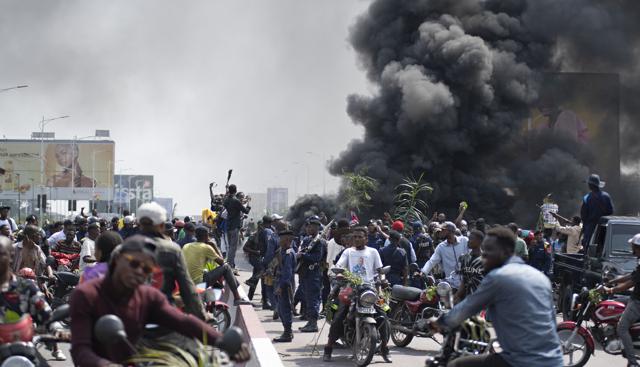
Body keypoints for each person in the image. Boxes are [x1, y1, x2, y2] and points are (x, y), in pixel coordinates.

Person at [69, 235, 251, 366]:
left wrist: (221, 341)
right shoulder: (87, 295)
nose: (139, 271)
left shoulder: (147, 296)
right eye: (133, 263)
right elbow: (81, 351)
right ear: (116, 261)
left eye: (146, 268)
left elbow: (183, 322)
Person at [427, 227, 563, 367]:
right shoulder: (541, 279)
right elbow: (551, 323)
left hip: (521, 361)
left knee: (456, 365)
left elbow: (467, 308)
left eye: (488, 252)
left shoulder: (498, 277)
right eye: (483, 251)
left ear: (505, 252)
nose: (483, 257)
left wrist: (438, 323)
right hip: (554, 361)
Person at [324, 226, 390, 362]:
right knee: (339, 315)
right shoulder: (348, 252)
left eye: (360, 237)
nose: (357, 239)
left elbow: (380, 271)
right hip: (351, 289)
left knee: (383, 315)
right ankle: (328, 347)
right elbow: (340, 265)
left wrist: (383, 281)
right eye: (355, 237)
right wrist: (340, 273)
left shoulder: (373, 252)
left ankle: (384, 348)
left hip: (369, 289)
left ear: (366, 239)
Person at [0, 236, 66, 361]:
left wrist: (58, 330)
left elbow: (46, 316)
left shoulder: (26, 288)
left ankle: (56, 350)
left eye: (1, 254)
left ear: (11, 257)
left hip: (21, 355)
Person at [136, 202, 206, 320]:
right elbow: (187, 288)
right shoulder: (171, 250)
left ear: (138, 223)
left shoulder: (123, 248)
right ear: (162, 225)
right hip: (163, 316)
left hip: (133, 316)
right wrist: (203, 316)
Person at [600, 233, 640, 366]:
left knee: (622, 327)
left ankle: (633, 362)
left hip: (638, 301)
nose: (632, 249)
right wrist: (612, 281)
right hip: (634, 297)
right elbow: (631, 275)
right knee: (615, 304)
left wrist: (611, 290)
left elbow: (631, 282)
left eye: (634, 246)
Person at [182, 226, 249, 305]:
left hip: (186, 282)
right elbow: (222, 263)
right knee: (227, 267)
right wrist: (214, 246)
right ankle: (237, 298)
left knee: (206, 271)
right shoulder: (206, 247)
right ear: (206, 236)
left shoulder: (186, 246)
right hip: (199, 283)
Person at [297, 217, 326, 333]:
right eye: (307, 226)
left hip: (314, 273)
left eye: (311, 226)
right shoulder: (307, 240)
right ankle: (309, 322)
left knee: (313, 298)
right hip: (306, 273)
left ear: (317, 227)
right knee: (308, 298)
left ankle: (313, 323)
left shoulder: (320, 242)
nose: (308, 228)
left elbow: (317, 258)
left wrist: (302, 256)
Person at [421, 221, 468, 289]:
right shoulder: (441, 247)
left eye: (443, 230)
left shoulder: (464, 241)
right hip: (451, 285)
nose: (440, 231)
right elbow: (432, 261)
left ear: (450, 231)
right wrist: (423, 272)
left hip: (467, 283)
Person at [272, 230, 297, 343]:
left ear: (287, 240)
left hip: (285, 285)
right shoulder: (282, 251)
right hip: (280, 282)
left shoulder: (289, 253)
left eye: (281, 239)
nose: (279, 241)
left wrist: (281, 287)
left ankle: (287, 333)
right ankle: (287, 332)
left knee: (284, 309)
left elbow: (287, 273)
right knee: (281, 309)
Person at [580, 174, 613, 247]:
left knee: (588, 248)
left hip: (590, 228)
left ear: (591, 185)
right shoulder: (606, 196)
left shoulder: (587, 198)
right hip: (604, 227)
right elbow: (610, 211)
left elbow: (583, 215)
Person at [223, 184, 251, 270]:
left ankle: (231, 263)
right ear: (235, 191)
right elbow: (246, 211)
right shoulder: (236, 201)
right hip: (235, 227)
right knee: (233, 247)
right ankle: (230, 265)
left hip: (228, 226)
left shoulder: (226, 200)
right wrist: (248, 202)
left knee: (230, 246)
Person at [454, 230, 484, 302]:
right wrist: (457, 296)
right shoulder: (464, 258)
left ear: (479, 241)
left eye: (471, 239)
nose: (468, 241)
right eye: (468, 238)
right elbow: (464, 280)